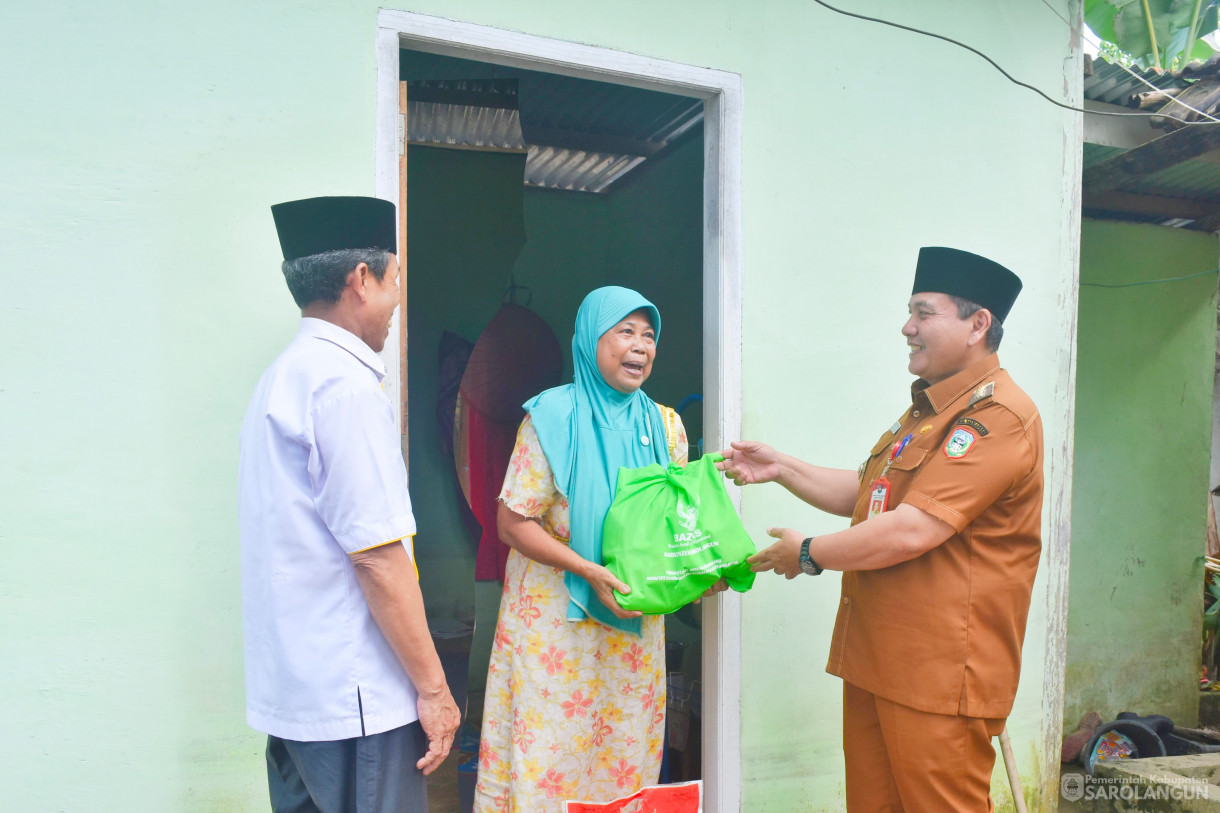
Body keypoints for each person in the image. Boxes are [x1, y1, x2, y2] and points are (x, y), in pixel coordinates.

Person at [719, 246, 1043, 811]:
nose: (907, 327)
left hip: (939, 676)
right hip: (879, 658)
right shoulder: (928, 411)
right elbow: (875, 499)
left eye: (924, 312)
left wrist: (811, 553)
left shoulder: (998, 418)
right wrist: (783, 469)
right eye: (909, 311)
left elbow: (914, 529)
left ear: (978, 324)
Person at [239, 196, 460, 813]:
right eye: (396, 280)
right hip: (355, 698)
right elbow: (379, 558)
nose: (396, 303)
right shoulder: (344, 387)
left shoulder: (284, 375)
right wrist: (435, 690)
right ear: (362, 280)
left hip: (298, 692)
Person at [473, 286, 689, 813]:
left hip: (630, 622)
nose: (641, 346)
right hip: (554, 624)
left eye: (649, 334)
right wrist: (586, 569)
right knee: (550, 756)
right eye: (625, 331)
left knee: (622, 752)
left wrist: (706, 564)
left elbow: (674, 521)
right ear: (591, 340)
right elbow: (511, 522)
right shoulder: (550, 417)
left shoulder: (665, 426)